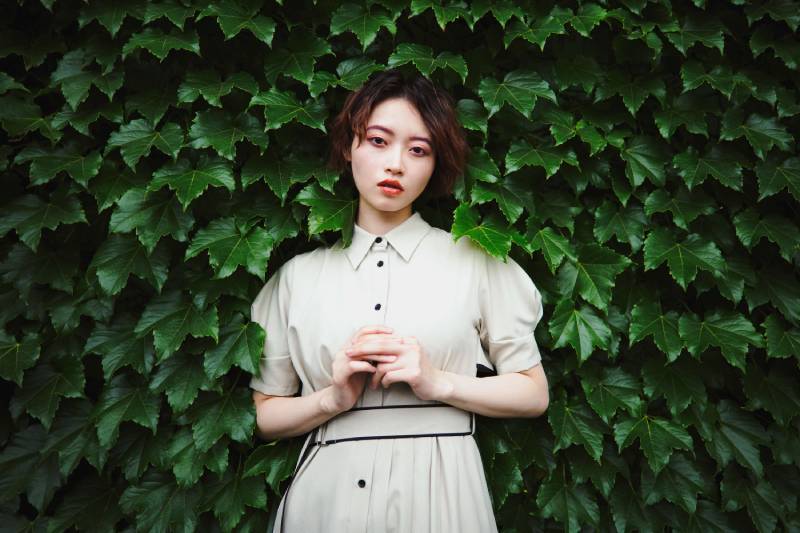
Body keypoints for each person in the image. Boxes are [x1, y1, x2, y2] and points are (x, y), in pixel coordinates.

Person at [250, 68, 549, 533]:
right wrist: (332, 399)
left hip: (443, 490)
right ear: (350, 147)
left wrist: (439, 383)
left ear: (434, 165)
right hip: (326, 498)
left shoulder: (477, 261)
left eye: (418, 150)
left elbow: (533, 393)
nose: (396, 165)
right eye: (378, 141)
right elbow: (266, 413)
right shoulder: (297, 278)